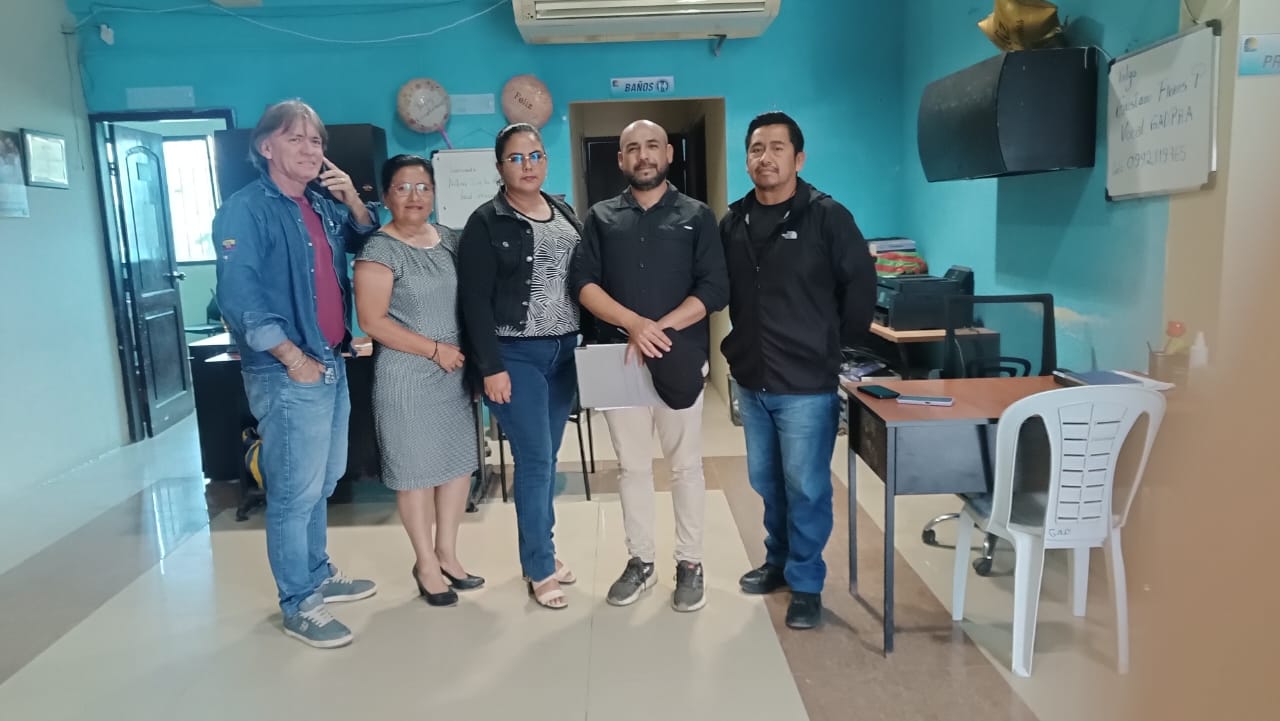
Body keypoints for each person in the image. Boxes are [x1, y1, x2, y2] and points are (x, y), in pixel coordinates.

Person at [214, 99, 379, 648]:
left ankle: (317, 573)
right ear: (266, 147)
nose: (311, 150)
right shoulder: (245, 210)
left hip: (330, 359)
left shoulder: (319, 205)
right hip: (289, 370)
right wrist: (292, 358)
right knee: (293, 492)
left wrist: (351, 196)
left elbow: (366, 238)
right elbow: (240, 297)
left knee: (324, 480)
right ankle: (299, 602)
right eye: (296, 139)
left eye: (316, 141)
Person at [719, 112, 876, 629]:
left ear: (799, 158)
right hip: (752, 378)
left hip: (806, 384)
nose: (765, 157)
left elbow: (861, 287)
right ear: (747, 159)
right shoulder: (733, 222)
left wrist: (834, 348)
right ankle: (779, 561)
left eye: (777, 148)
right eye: (756, 149)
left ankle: (807, 583)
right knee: (767, 480)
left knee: (806, 486)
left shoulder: (827, 217)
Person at [573, 120, 728, 612]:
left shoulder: (697, 215)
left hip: (680, 358)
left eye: (653, 146)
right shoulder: (600, 217)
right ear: (621, 159)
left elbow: (714, 288)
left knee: (685, 467)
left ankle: (690, 563)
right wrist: (634, 325)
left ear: (668, 154)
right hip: (619, 361)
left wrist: (660, 327)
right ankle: (640, 561)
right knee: (632, 467)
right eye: (633, 148)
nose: (644, 156)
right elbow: (583, 283)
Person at [458, 123, 583, 611]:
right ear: (499, 166)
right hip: (515, 355)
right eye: (516, 158)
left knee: (546, 458)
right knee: (534, 460)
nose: (527, 165)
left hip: (563, 353)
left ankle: (541, 552)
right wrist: (490, 367)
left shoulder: (564, 212)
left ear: (545, 161)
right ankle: (539, 566)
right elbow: (474, 301)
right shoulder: (486, 222)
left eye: (535, 156)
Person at [353, 154, 481, 609]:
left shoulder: (449, 240)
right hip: (407, 374)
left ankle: (448, 553)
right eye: (403, 187)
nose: (414, 196)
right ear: (387, 196)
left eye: (423, 187)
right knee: (415, 473)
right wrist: (433, 350)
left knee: (457, 466)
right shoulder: (379, 250)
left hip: (455, 370)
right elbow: (372, 321)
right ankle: (425, 562)